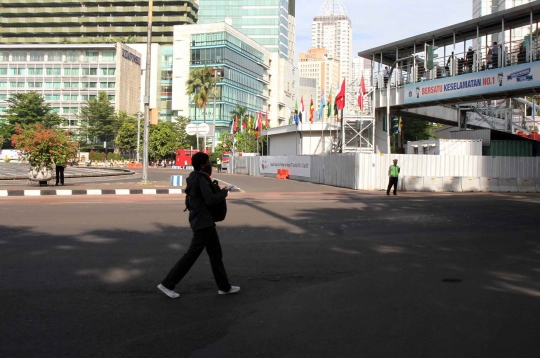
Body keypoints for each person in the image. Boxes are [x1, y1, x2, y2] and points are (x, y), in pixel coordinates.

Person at [157, 152, 239, 298]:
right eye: (207, 162)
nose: (210, 164)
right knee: (191, 256)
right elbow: (210, 200)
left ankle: (224, 287)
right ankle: (167, 284)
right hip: (203, 223)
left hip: (203, 221)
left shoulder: (194, 177)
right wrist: (224, 192)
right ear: (202, 165)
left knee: (215, 255)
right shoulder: (201, 179)